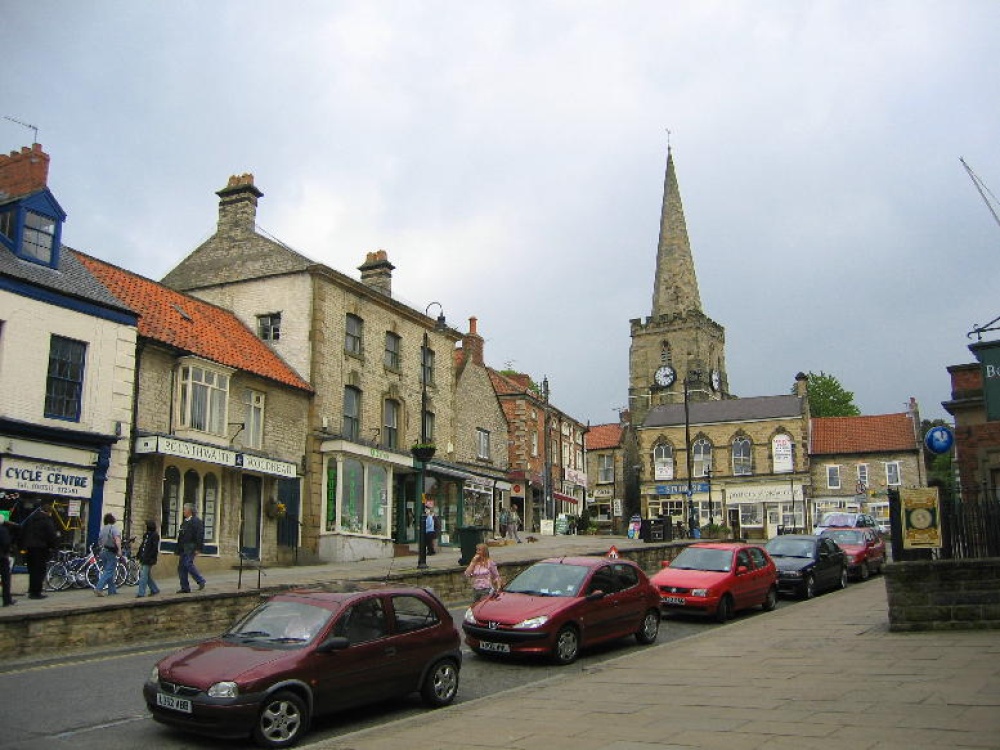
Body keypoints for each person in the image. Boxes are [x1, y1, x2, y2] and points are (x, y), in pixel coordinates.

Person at [19, 500, 59, 600]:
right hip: (41, 548)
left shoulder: (31, 518)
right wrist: (54, 547)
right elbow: (51, 535)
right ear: (49, 512)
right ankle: (36, 593)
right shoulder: (47, 520)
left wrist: (22, 546)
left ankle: (31, 590)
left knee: (32, 570)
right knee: (39, 571)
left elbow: (23, 532)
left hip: (29, 548)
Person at [176, 503, 206, 593]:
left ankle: (200, 580)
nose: (183, 511)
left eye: (185, 509)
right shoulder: (185, 522)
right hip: (183, 547)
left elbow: (200, 535)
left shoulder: (196, 521)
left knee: (188, 563)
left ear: (189, 511)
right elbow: (181, 536)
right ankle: (185, 587)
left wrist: (198, 548)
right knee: (181, 567)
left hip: (191, 546)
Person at [94, 512, 122, 596]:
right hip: (110, 551)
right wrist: (119, 550)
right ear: (112, 520)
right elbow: (117, 539)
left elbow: (99, 541)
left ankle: (112, 590)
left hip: (102, 551)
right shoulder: (113, 528)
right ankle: (98, 588)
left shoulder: (103, 529)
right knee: (109, 571)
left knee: (109, 570)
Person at [136, 518, 161, 598]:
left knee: (143, 575)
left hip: (148, 559)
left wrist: (149, 557)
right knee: (147, 575)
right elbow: (143, 545)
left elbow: (154, 549)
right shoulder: (146, 535)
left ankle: (141, 593)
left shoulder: (155, 535)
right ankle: (154, 589)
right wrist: (139, 554)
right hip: (143, 557)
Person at [0, 518, 14, 606]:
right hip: (2, 557)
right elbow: (6, 543)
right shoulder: (3, 530)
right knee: (5, 578)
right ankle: (7, 600)